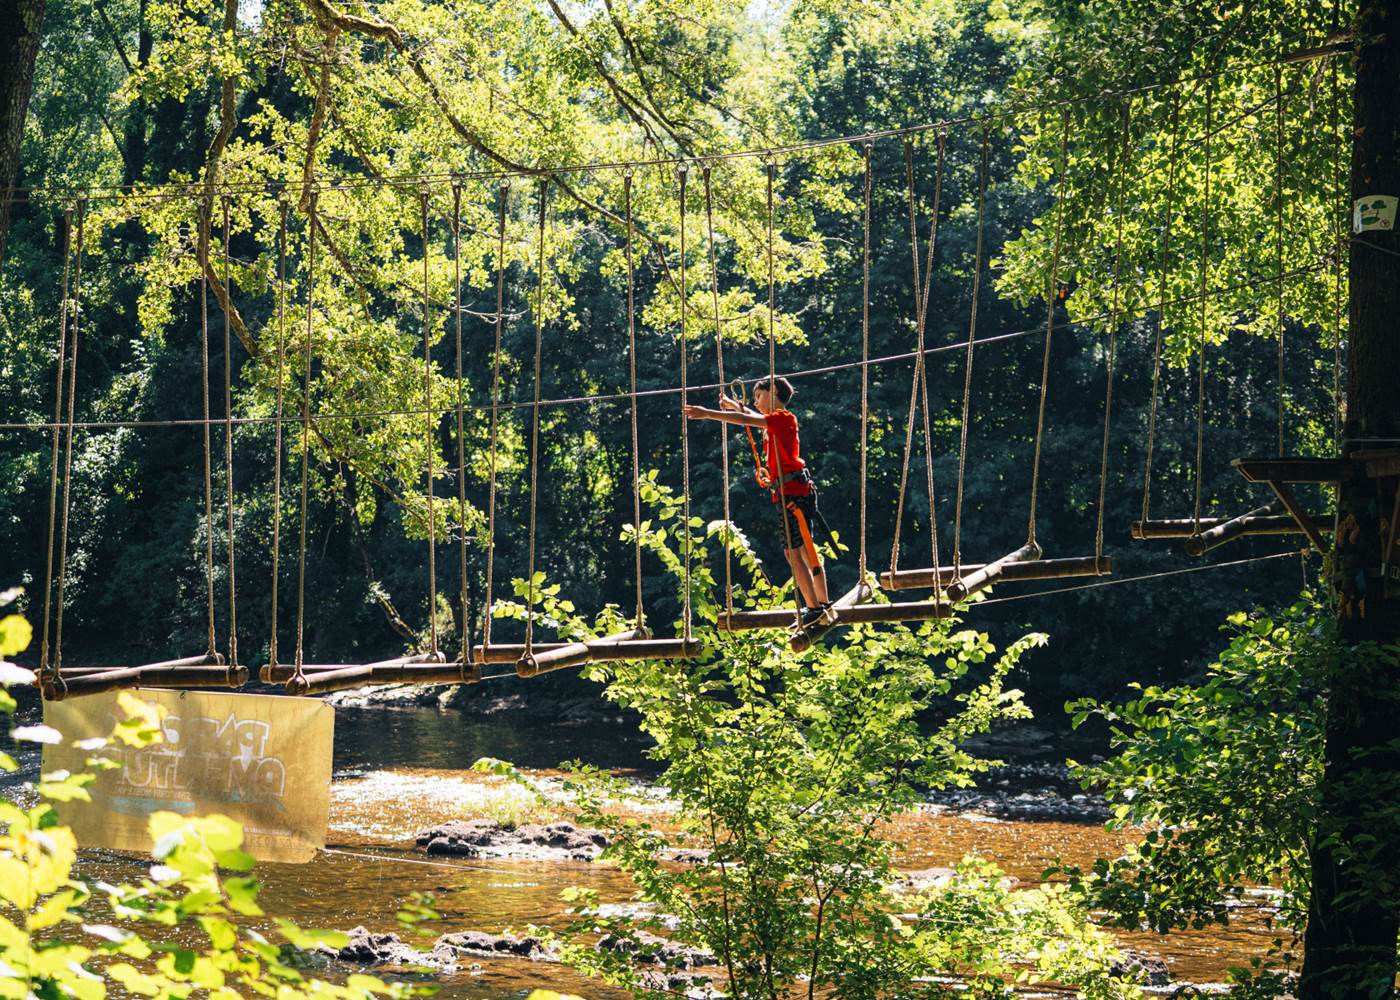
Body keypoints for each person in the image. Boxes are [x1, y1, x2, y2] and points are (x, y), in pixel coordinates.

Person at [683, 376, 835, 628]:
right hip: (793, 492)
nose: (756, 402)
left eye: (759, 396)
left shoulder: (782, 418)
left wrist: (708, 413)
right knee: (804, 550)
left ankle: (813, 607)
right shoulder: (777, 422)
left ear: (773, 391)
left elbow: (748, 419)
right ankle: (821, 602)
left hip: (792, 495)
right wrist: (733, 405)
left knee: (793, 552)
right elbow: (751, 415)